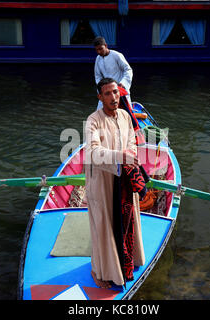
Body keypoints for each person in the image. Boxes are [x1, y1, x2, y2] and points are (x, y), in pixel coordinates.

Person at [84, 77, 145, 289]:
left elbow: (132, 144)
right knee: (104, 228)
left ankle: (127, 263)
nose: (113, 97)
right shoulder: (93, 120)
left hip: (124, 181)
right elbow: (92, 153)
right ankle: (100, 271)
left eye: (116, 92)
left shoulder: (126, 116)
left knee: (126, 224)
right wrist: (121, 156)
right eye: (108, 94)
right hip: (102, 183)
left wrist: (127, 157)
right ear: (100, 97)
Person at [93, 36, 133, 110]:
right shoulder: (98, 58)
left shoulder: (117, 55)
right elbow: (98, 76)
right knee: (98, 112)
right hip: (106, 90)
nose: (99, 52)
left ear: (105, 46)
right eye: (97, 50)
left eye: (100, 49)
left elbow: (128, 70)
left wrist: (123, 83)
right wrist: (101, 87)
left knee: (125, 114)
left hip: (119, 89)